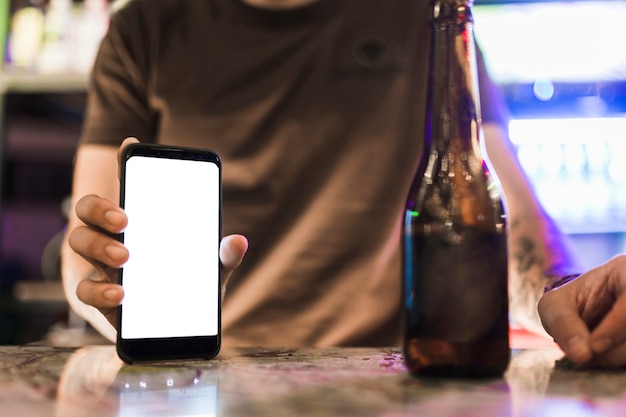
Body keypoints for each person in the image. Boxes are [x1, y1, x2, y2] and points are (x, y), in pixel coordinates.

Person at [61, 0, 625, 367]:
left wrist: (564, 292)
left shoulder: (427, 15)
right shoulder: (145, 29)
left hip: (389, 374)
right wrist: (120, 292)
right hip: (202, 371)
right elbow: (87, 245)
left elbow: (508, 222)